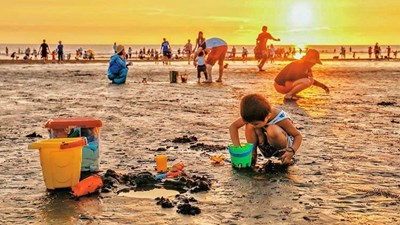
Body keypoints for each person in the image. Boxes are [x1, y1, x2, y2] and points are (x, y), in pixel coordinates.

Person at [229, 94, 302, 166]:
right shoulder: (253, 116)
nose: (254, 125)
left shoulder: (280, 118)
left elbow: (297, 136)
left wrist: (291, 151)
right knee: (249, 125)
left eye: (256, 124)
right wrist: (238, 148)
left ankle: (283, 157)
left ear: (268, 116)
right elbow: (233, 127)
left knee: (272, 129)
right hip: (265, 145)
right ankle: (252, 155)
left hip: (282, 147)